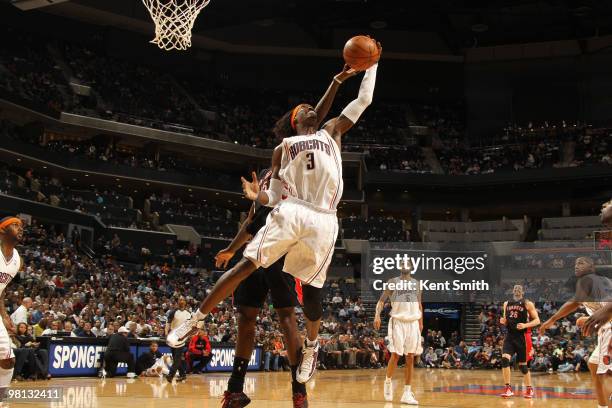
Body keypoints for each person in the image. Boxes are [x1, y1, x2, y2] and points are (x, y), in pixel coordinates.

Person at [167, 42, 381, 392]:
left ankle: (312, 347)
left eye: (315, 107)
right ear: (296, 121)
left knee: (312, 295)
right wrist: (258, 196)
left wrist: (371, 66)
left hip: (325, 217)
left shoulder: (332, 132)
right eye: (305, 109)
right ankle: (196, 319)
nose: (312, 110)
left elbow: (363, 101)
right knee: (245, 265)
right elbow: (276, 194)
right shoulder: (284, 148)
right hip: (293, 211)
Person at [539, 257, 612, 408]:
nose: (577, 265)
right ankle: (602, 406)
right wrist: (552, 319)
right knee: (593, 364)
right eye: (576, 263)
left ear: (592, 267)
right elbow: (574, 302)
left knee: (606, 374)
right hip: (605, 330)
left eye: (581, 263)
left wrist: (605, 311)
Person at [373, 261, 422, 405]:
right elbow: (381, 301)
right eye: (402, 263)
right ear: (400, 267)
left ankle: (407, 393)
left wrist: (421, 323)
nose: (405, 265)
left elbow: (419, 304)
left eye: (407, 263)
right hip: (398, 321)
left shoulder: (417, 284)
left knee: (410, 357)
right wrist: (377, 315)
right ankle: (387, 381)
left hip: (413, 322)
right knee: (396, 355)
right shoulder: (393, 282)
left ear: (412, 267)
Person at [499, 284, 540, 399]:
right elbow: (506, 320)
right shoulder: (506, 304)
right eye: (515, 289)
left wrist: (526, 325)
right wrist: (504, 322)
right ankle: (508, 388)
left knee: (523, 366)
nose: (517, 290)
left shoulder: (527, 303)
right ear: (512, 291)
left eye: (519, 289)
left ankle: (529, 389)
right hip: (510, 336)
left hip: (523, 337)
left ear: (522, 291)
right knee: (504, 359)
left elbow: (537, 320)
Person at [0, 217, 24, 401]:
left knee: (8, 360)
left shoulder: (17, 260)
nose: (20, 228)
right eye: (15, 225)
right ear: (2, 231)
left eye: (21, 226)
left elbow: (1, 289)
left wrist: (4, 314)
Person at [165, 297, 190, 382]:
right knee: (176, 358)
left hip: (182, 337)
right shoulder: (173, 312)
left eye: (183, 299)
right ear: (177, 302)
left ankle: (170, 375)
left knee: (177, 358)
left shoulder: (188, 314)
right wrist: (166, 334)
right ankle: (183, 375)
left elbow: (190, 326)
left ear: (185, 302)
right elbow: (168, 324)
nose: (181, 301)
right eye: (180, 300)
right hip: (172, 337)